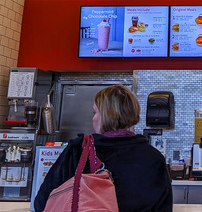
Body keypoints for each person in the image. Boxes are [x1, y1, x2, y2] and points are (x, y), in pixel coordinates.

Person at [34, 85, 172, 212]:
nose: (93, 119)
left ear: (106, 115)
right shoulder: (154, 158)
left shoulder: (79, 151)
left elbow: (42, 203)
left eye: (95, 112)